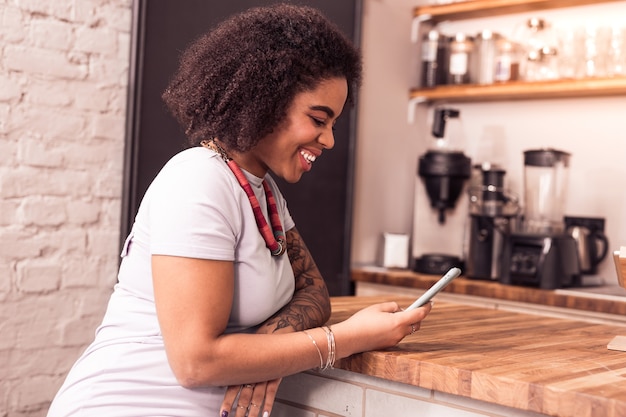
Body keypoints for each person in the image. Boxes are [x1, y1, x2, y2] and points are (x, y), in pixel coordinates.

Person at [47, 4, 432, 417]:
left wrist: (266, 352)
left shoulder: (262, 191)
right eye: (319, 119)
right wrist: (347, 338)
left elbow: (313, 293)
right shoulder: (198, 182)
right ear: (266, 99)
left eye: (333, 124)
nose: (329, 140)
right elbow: (197, 363)